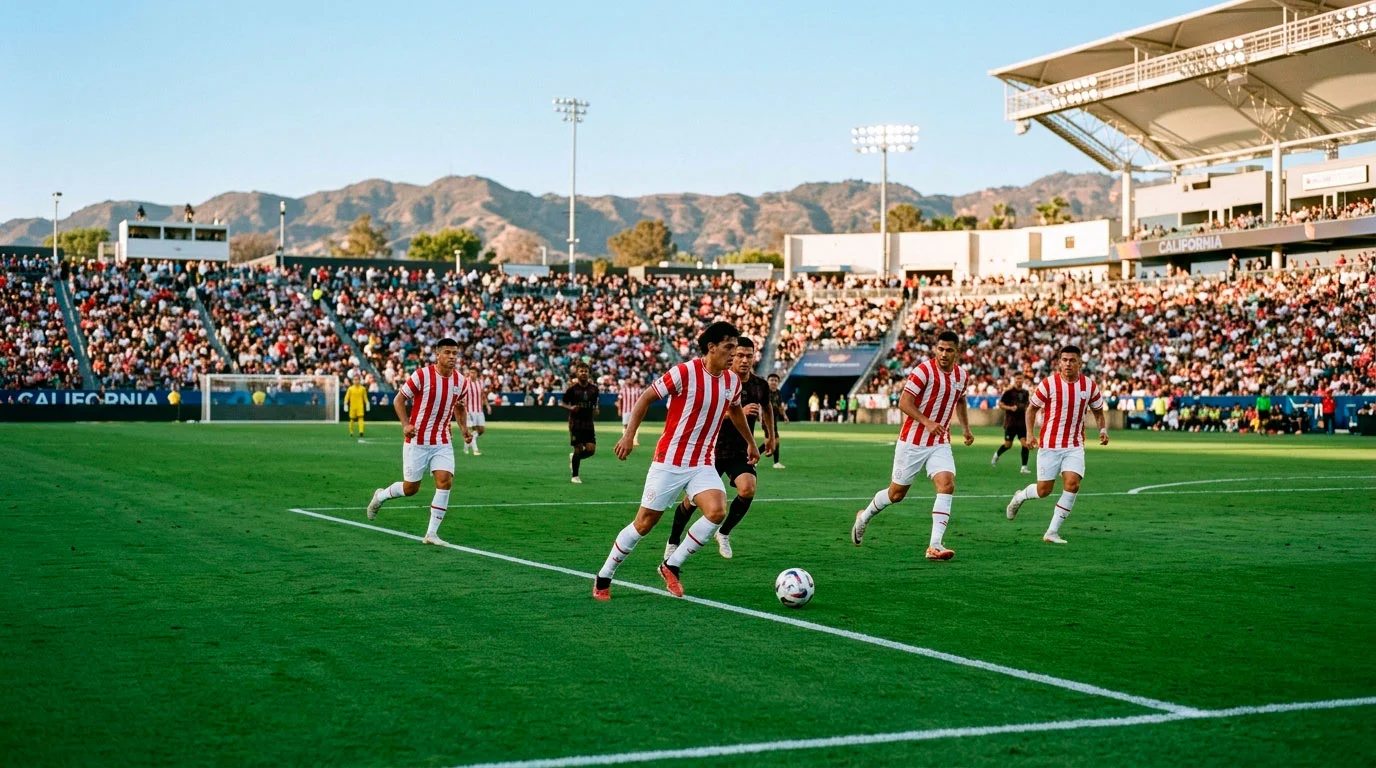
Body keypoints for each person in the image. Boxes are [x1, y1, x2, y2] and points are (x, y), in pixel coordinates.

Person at [592, 322, 759, 600]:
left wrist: (751, 443)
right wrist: (628, 435)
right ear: (711, 347)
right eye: (729, 347)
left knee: (717, 511)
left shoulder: (732, 381)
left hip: (702, 462)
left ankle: (671, 565)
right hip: (670, 461)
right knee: (644, 524)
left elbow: (735, 410)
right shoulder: (684, 372)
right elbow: (645, 398)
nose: (734, 354)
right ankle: (604, 575)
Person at [851, 330, 972, 561]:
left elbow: (961, 400)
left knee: (947, 484)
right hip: (913, 442)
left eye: (949, 350)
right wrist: (927, 422)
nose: (944, 354)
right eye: (940, 349)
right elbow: (904, 403)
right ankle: (863, 517)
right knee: (896, 494)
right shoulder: (923, 371)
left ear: (957, 352)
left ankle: (934, 545)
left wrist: (966, 429)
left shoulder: (961, 376)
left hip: (940, 441)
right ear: (935, 349)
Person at [666, 336, 776, 560]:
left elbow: (767, 407)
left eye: (749, 356)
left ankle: (723, 533)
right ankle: (673, 540)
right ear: (732, 356)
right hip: (710, 450)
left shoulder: (760, 385)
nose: (744, 360)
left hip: (740, 450)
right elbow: (706, 411)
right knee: (691, 502)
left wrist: (771, 436)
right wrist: (738, 413)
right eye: (740, 355)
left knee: (748, 489)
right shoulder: (720, 381)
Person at [365, 339, 471, 546]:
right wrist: (406, 424)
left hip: (442, 440)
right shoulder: (422, 375)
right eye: (447, 352)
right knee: (411, 489)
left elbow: (459, 407)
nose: (452, 356)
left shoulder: (461, 382)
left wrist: (465, 430)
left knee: (445, 481)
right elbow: (399, 399)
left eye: (455, 353)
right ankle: (380, 496)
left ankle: (431, 534)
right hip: (417, 440)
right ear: (437, 355)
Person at [1004, 345, 1109, 545]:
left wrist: (1102, 430)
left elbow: (1098, 412)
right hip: (1050, 445)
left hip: (1074, 445)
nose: (1068, 364)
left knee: (1073, 484)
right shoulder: (1048, 384)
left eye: (1072, 360)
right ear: (1059, 362)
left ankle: (1052, 532)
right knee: (1044, 491)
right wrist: (1030, 434)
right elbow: (1031, 409)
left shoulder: (1089, 386)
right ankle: (1020, 497)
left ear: (1080, 363)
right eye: (1064, 360)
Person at [562, 362, 600, 484]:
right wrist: (571, 408)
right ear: (577, 373)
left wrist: (596, 408)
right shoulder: (572, 389)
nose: (583, 373)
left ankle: (574, 458)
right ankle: (575, 476)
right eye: (581, 371)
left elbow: (595, 402)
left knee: (591, 450)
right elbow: (562, 403)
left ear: (589, 373)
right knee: (578, 449)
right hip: (576, 423)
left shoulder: (594, 389)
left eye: (585, 371)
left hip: (588, 423)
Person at [992, 372, 1032, 474]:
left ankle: (1024, 467)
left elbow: (1027, 405)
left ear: (1023, 380)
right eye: (1017, 378)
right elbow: (1000, 404)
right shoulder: (1009, 392)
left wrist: (1027, 408)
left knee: (1025, 444)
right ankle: (996, 455)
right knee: (1008, 445)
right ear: (1014, 379)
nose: (1019, 380)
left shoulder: (1025, 392)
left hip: (1022, 423)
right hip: (1011, 423)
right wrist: (1010, 408)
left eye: (1021, 378)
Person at [462, 368, 491, 455]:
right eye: (471, 372)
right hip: (469, 410)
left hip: (479, 410)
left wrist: (488, 406)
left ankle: (466, 446)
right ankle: (475, 450)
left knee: (481, 430)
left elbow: (483, 395)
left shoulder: (480, 382)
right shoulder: (465, 382)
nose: (472, 374)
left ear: (477, 374)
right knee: (473, 429)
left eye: (474, 373)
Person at [762, 373, 787, 469]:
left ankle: (754, 458)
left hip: (774, 420)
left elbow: (780, 406)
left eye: (776, 380)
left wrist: (784, 416)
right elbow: (760, 405)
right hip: (766, 420)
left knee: (771, 441)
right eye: (771, 380)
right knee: (774, 440)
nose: (773, 382)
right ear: (767, 381)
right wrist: (760, 417)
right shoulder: (765, 392)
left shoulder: (778, 393)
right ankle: (776, 462)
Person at [618, 376, 645, 447]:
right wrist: (619, 409)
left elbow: (642, 400)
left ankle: (635, 440)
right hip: (626, 410)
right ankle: (624, 439)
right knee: (625, 425)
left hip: (635, 410)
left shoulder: (638, 390)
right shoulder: (623, 390)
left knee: (635, 425)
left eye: (630, 379)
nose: (629, 381)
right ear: (625, 381)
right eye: (628, 379)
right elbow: (620, 400)